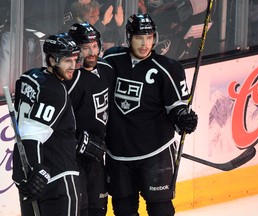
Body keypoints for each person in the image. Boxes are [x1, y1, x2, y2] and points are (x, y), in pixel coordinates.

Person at [103, 14, 198, 216]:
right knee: (124, 210)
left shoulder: (169, 68)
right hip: (118, 154)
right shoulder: (111, 60)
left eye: (149, 37)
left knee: (160, 209)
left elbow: (177, 108)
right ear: (129, 37)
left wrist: (184, 118)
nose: (145, 43)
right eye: (139, 37)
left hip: (155, 154)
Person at [12, 33, 81, 216]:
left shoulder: (28, 77)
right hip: (58, 178)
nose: (73, 66)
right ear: (51, 59)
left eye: (75, 59)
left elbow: (25, 127)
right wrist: (37, 170)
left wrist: (25, 173)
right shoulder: (55, 91)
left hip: (31, 179)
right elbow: (31, 135)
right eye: (67, 60)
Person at [65, 22, 115, 216]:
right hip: (73, 158)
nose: (92, 52)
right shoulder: (69, 80)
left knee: (98, 207)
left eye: (94, 46)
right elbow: (57, 122)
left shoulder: (107, 69)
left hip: (97, 154)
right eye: (85, 48)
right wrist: (78, 140)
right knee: (80, 209)